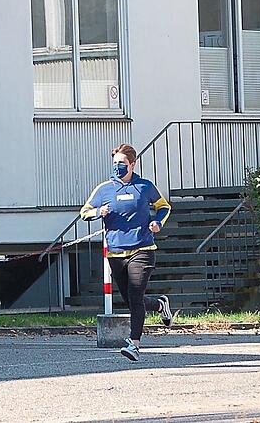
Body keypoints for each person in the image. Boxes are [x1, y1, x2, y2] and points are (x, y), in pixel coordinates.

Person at [81, 143, 173, 362]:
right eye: (115, 163)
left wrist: (157, 222)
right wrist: (98, 212)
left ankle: (134, 344)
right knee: (132, 300)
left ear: (132, 164)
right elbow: (84, 212)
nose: (117, 167)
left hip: (142, 249)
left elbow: (164, 206)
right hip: (116, 253)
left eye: (122, 163)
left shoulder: (144, 186)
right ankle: (160, 304)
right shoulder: (104, 189)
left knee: (135, 295)